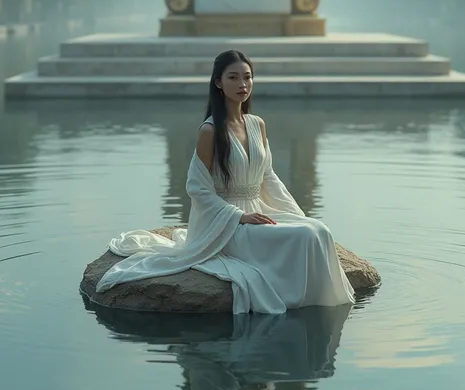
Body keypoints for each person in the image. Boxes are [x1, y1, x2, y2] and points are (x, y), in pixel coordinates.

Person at [95, 50, 355, 313]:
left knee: (317, 229)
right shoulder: (209, 131)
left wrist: (296, 214)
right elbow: (196, 188)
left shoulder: (257, 124)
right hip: (224, 224)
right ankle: (301, 303)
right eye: (233, 77)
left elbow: (268, 176)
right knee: (302, 237)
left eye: (247, 77)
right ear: (218, 82)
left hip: (259, 211)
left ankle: (322, 307)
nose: (243, 84)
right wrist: (239, 216)